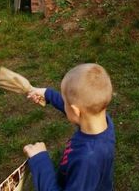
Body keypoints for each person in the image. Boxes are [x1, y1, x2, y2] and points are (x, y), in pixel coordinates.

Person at [23, 63, 115, 191]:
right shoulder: (102, 121)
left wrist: (40, 159)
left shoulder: (87, 159)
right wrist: (47, 94)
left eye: (65, 102)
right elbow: (80, 110)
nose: (63, 103)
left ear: (76, 111)